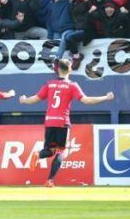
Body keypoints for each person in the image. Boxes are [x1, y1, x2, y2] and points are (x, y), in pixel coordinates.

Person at [18, 59, 114, 187]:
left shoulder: (49, 84)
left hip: (49, 122)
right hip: (62, 122)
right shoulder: (72, 85)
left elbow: (34, 99)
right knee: (60, 151)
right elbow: (86, 101)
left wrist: (24, 100)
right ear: (70, 70)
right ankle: (49, 180)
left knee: (50, 150)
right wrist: (105, 98)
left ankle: (39, 154)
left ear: (57, 69)